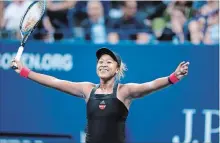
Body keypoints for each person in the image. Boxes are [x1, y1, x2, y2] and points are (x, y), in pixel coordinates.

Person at [11, 47, 189, 143]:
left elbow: (149, 85)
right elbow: (54, 82)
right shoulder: (87, 89)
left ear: (117, 69)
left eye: (108, 62)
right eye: (100, 62)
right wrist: (25, 71)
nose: (103, 65)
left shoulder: (124, 91)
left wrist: (173, 77)